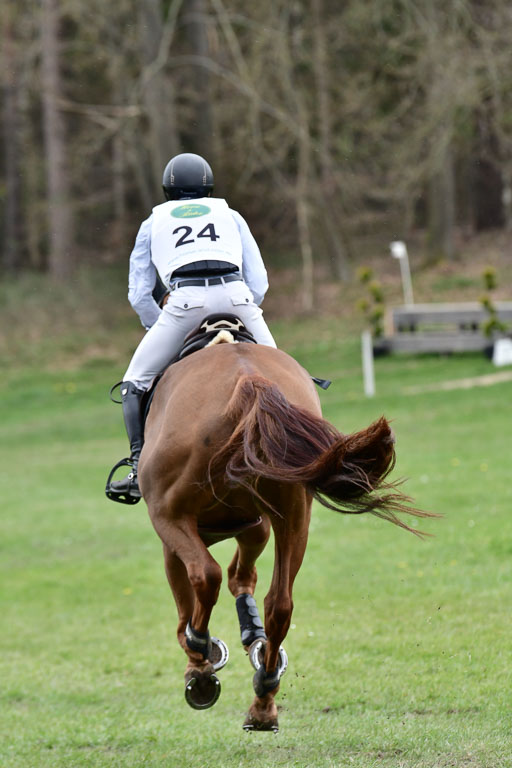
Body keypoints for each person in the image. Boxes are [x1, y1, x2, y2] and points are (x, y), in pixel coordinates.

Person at [107, 152, 276, 501]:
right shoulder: (230, 215)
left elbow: (140, 294)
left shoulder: (153, 222)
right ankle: (308, 452)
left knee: (134, 381)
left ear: (167, 190)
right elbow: (258, 281)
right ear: (209, 187)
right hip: (238, 298)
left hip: (185, 304)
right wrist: (245, 308)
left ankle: (138, 467)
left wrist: (163, 327)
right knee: (286, 373)